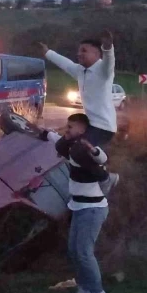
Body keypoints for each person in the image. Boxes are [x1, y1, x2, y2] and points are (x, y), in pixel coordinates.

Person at [40, 113, 112, 293]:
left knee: (84, 252)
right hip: (79, 206)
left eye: (71, 126)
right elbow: (59, 143)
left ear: (82, 129)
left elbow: (101, 157)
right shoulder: (73, 148)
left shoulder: (84, 150)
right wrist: (47, 134)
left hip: (93, 208)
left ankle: (97, 291)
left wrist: (94, 151)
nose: (67, 129)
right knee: (74, 249)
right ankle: (84, 288)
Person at [40, 32, 119, 193]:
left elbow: (109, 61)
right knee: (61, 146)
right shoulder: (80, 71)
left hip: (104, 127)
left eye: (84, 50)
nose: (79, 54)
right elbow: (65, 63)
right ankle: (86, 169)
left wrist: (108, 48)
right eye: (78, 50)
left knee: (77, 152)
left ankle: (106, 178)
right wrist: (47, 52)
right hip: (90, 125)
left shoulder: (104, 72)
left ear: (97, 54)